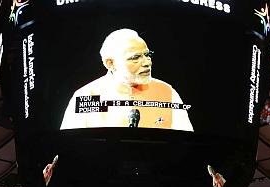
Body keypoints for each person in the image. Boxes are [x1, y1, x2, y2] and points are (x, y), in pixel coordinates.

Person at [61, 29, 193, 131]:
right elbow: (69, 147)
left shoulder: (167, 93)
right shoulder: (86, 96)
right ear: (110, 63)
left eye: (147, 55)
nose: (147, 63)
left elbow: (186, 144)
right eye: (135, 57)